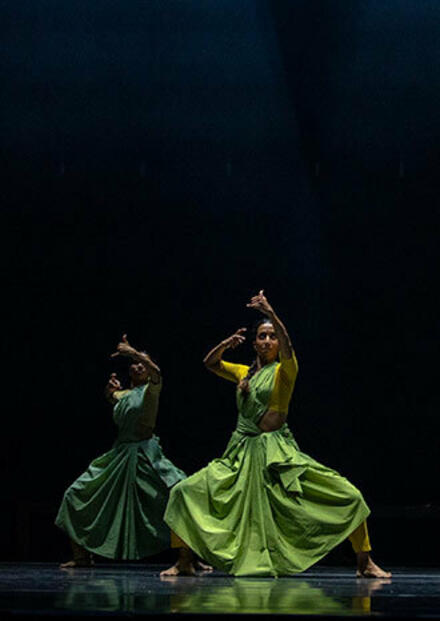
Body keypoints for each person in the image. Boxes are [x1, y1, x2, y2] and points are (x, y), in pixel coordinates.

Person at [162, 291, 391, 578]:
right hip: (241, 456)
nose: (267, 340)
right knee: (183, 492)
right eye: (262, 336)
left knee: (350, 495)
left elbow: (289, 347)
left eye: (271, 336)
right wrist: (226, 344)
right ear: (254, 342)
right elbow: (210, 363)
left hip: (277, 454)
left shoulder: (286, 370)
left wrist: (271, 314)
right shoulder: (244, 373)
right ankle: (185, 561)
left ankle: (364, 563)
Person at [56, 335, 187, 568]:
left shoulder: (151, 389)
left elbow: (157, 373)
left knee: (181, 493)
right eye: (135, 363)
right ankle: (81, 557)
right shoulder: (124, 395)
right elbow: (113, 398)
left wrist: (133, 352)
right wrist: (110, 391)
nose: (138, 366)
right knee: (74, 494)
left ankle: (187, 560)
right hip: (120, 455)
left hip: (147, 454)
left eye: (143, 363)